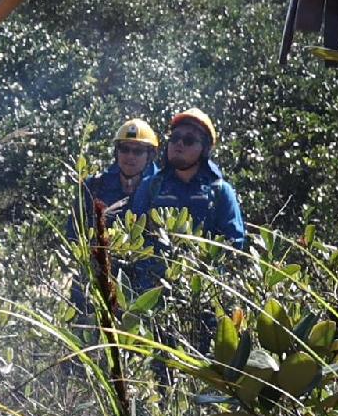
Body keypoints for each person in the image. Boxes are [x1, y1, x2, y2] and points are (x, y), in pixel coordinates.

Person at [118, 104, 249, 298]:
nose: (179, 144)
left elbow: (234, 244)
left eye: (188, 140)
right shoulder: (150, 187)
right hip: (152, 299)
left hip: (202, 301)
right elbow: (133, 237)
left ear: (204, 149)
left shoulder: (221, 191)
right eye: (175, 138)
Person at [85, 120, 160, 235]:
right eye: (124, 149)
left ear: (150, 156)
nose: (130, 156)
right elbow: (74, 233)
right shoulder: (94, 185)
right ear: (116, 152)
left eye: (138, 151)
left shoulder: (163, 187)